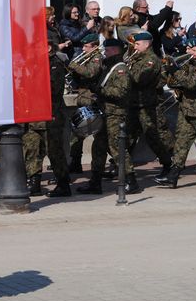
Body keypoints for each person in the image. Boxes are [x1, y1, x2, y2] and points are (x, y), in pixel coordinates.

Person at [155, 37, 196, 188]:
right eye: (189, 49)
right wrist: (172, 71)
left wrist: (176, 72)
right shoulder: (191, 64)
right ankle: (173, 175)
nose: (188, 51)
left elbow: (193, 84)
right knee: (181, 143)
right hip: (187, 109)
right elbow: (173, 82)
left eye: (193, 49)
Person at [23, 41, 72, 198]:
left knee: (54, 152)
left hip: (50, 116)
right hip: (32, 115)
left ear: (49, 47)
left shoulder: (55, 65)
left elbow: (53, 89)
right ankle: (34, 183)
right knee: (32, 150)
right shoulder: (33, 64)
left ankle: (63, 184)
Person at [125, 31, 173, 178]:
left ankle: (168, 164)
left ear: (146, 45)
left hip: (147, 105)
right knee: (127, 136)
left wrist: (123, 72)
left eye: (138, 44)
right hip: (134, 103)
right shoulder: (136, 58)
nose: (135, 47)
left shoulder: (151, 60)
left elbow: (139, 79)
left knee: (153, 136)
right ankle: (121, 166)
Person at [67, 33, 107, 193]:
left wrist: (75, 66)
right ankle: (75, 162)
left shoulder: (97, 58)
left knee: (100, 139)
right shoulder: (88, 57)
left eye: (85, 46)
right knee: (76, 134)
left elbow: (91, 73)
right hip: (83, 98)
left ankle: (119, 167)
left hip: (92, 101)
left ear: (94, 46)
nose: (83, 49)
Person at [98, 38, 140, 193]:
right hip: (107, 112)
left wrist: (101, 91)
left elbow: (121, 92)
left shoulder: (120, 68)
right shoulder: (110, 67)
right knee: (100, 147)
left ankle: (131, 180)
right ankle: (95, 181)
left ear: (114, 50)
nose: (105, 53)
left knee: (118, 148)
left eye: (107, 50)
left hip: (116, 114)